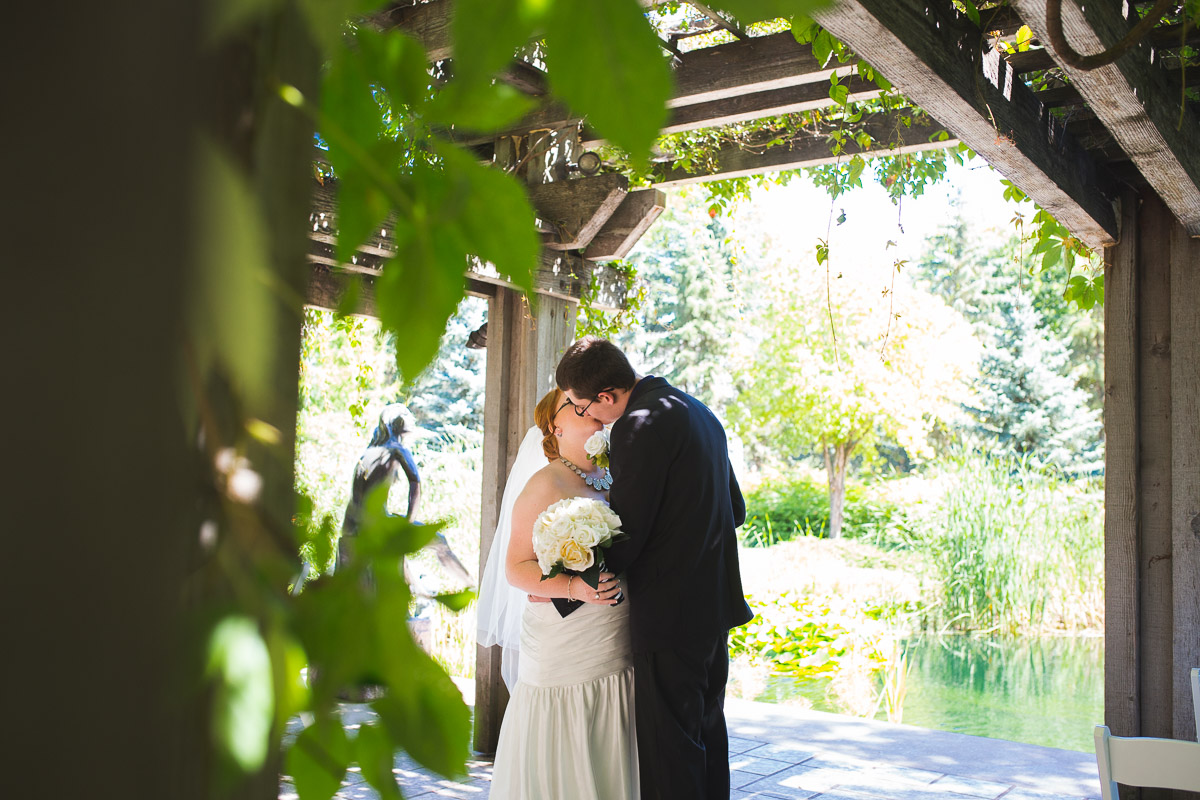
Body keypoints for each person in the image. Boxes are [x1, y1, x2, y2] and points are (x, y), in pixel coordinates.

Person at [556, 337, 752, 800]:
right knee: (707, 735)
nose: (587, 418)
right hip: (714, 607)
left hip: (669, 613)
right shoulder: (699, 412)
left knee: (670, 751)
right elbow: (736, 508)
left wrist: (567, 583)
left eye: (583, 408)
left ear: (606, 397)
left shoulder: (637, 426)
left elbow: (628, 532)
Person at [477, 388, 636, 800]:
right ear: (556, 425)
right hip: (564, 643)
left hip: (614, 637)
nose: (592, 412)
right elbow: (516, 567)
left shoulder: (610, 476)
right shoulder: (543, 485)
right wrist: (572, 587)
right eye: (577, 406)